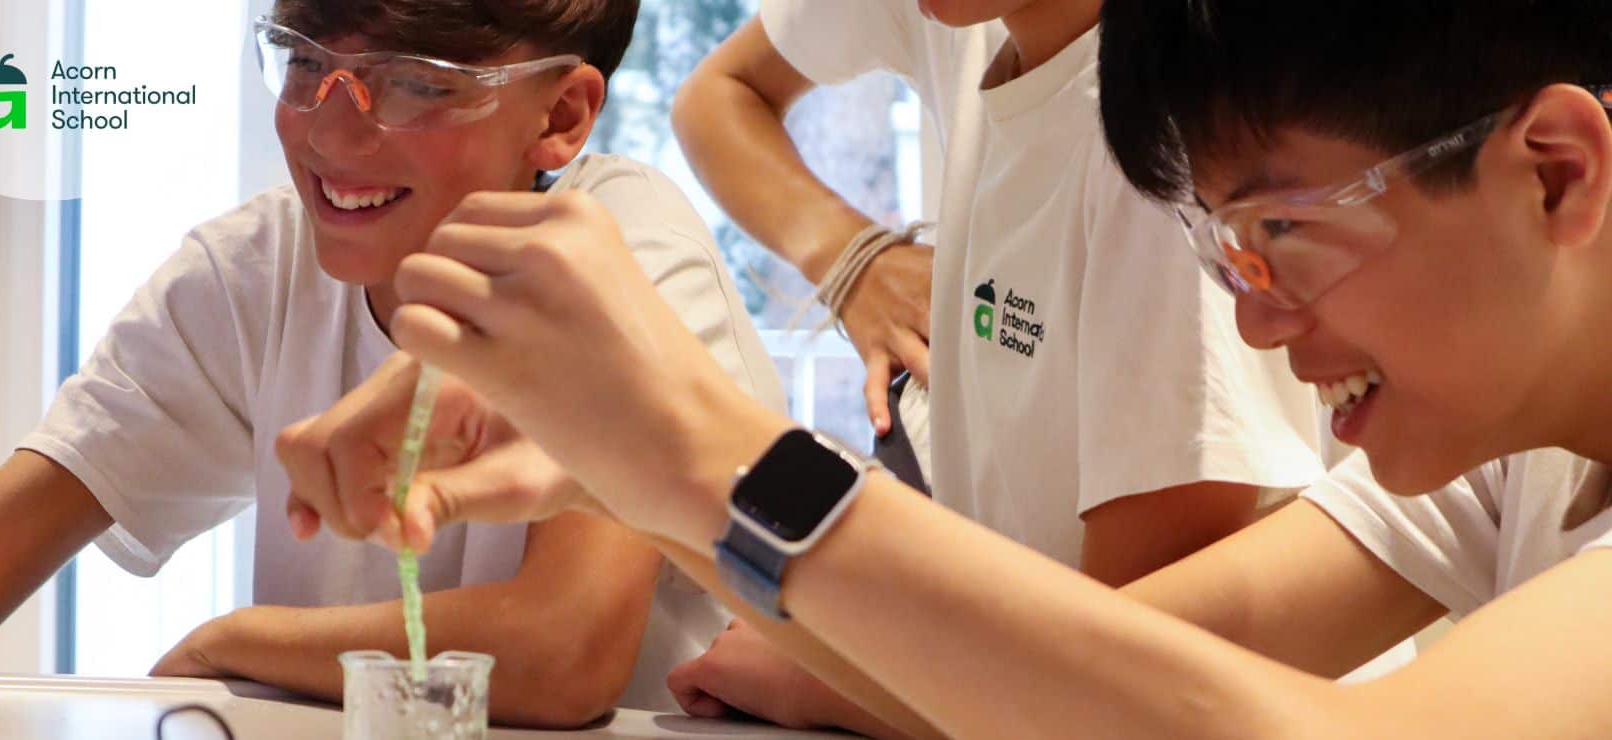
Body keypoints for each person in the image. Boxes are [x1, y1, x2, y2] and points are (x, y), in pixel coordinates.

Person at [285, 0, 1612, 735]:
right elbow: (1065, 689)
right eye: (1227, 250)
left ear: (1555, 172)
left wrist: (708, 453)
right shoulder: (1508, 461)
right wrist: (647, 493)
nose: (1259, 326)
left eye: (1286, 235)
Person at [0, 0, 786, 726]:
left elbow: (562, 651)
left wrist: (231, 642)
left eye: (415, 82)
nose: (331, 129)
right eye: (304, 62)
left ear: (561, 115)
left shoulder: (620, 245)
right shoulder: (256, 268)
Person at [666, 1, 1372, 731]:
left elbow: (1118, 686)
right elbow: (721, 93)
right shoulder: (967, 22)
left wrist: (822, 671)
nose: (1266, 319)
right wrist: (852, 256)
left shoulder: (1161, 145)